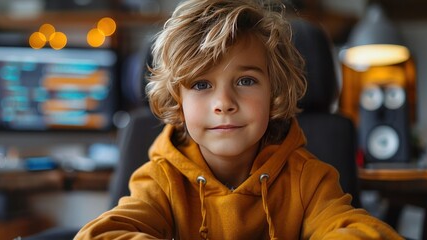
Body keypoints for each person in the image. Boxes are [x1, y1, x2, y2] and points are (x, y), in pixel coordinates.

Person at [75, 0, 403, 239]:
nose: (224, 104)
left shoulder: (307, 179)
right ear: (178, 99)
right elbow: (103, 235)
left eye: (246, 81)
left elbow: (356, 230)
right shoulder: (161, 180)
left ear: (274, 91)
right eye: (201, 85)